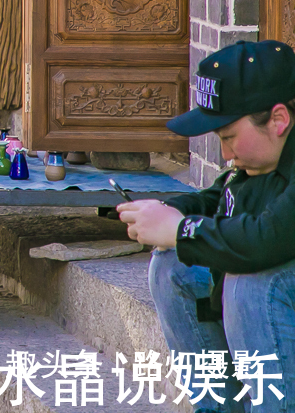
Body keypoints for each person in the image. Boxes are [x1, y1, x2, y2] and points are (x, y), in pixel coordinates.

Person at [118, 42, 295, 412]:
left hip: (277, 293)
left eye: (228, 137)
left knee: (248, 282)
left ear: (278, 120)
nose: (225, 154)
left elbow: (268, 239)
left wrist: (183, 230)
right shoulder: (256, 162)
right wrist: (164, 211)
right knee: (174, 266)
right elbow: (217, 200)